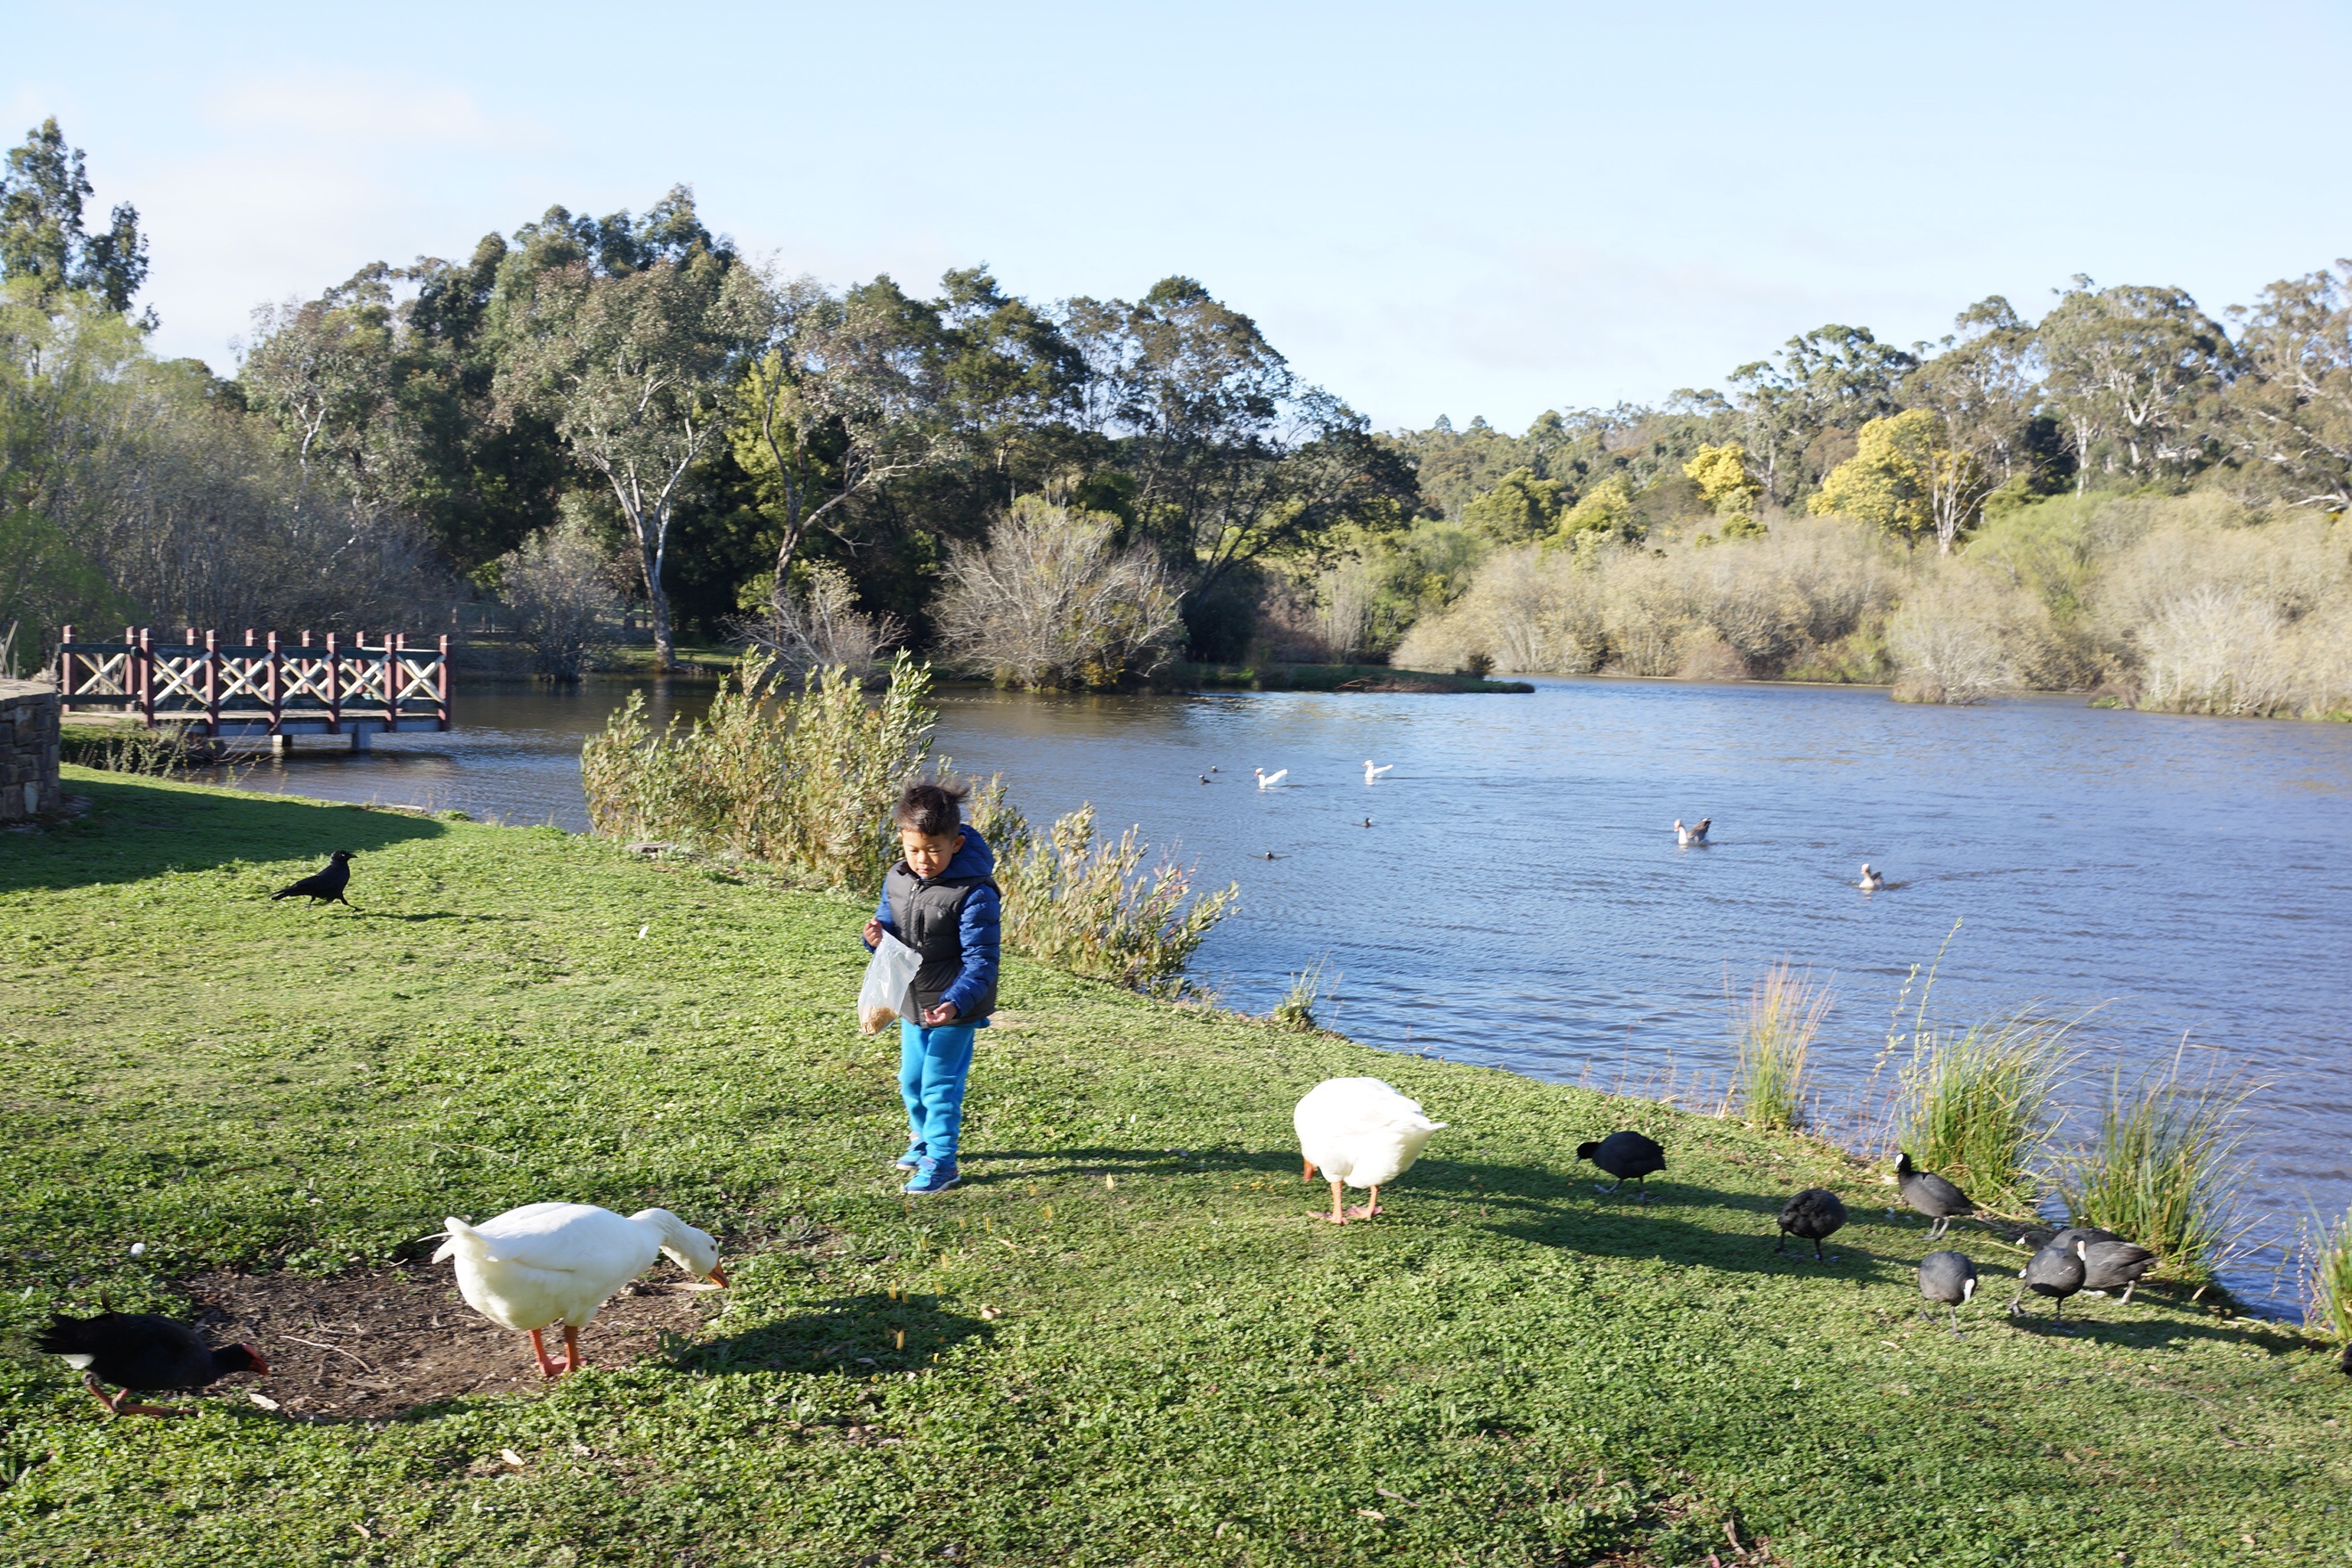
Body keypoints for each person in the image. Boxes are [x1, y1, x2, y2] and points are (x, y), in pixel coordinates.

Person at [863, 780, 1000, 1195]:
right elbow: (890, 927)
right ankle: (922, 1139)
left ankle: (942, 1162)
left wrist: (955, 1005)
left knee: (939, 1085)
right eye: (913, 850)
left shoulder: (975, 893)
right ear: (903, 841)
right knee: (910, 1079)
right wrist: (874, 936)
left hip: (955, 1007)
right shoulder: (898, 878)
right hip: (911, 999)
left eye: (934, 850)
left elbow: (982, 961)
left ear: (956, 844)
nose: (923, 860)